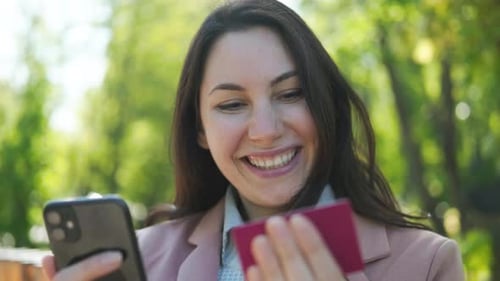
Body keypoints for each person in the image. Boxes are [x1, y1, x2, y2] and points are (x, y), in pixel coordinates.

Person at [42, 0, 465, 280]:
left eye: (290, 94)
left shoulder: (427, 264)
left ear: (326, 107)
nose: (265, 130)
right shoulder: (144, 261)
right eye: (231, 105)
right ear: (200, 132)